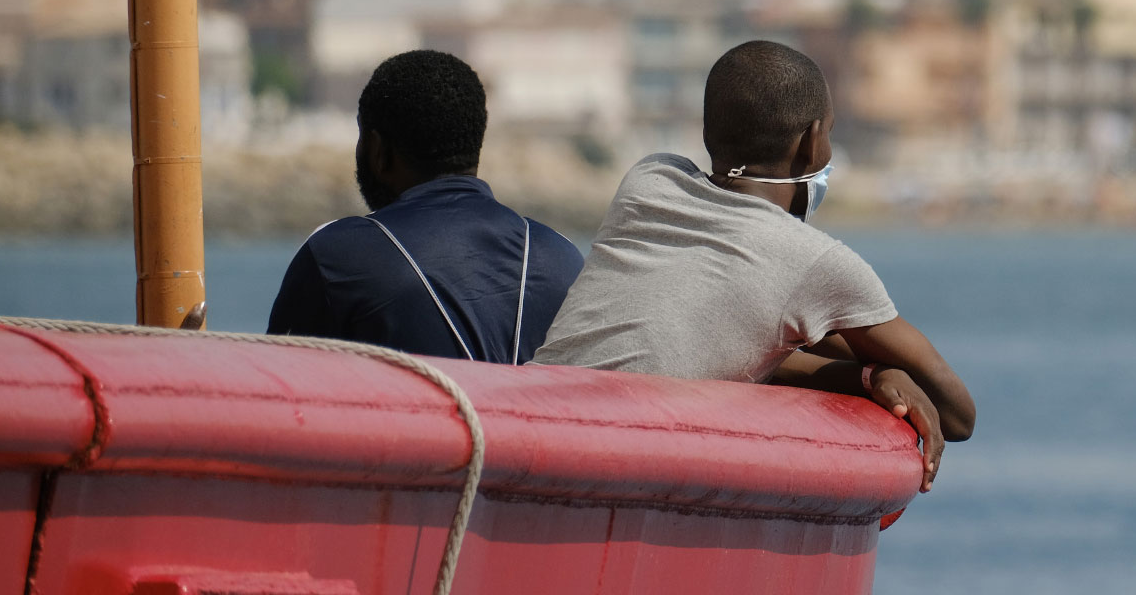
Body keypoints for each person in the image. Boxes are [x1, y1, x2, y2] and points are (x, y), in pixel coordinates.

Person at [535, 40, 974, 490]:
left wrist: (863, 372)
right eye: (831, 134)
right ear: (811, 142)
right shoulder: (815, 262)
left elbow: (699, 332)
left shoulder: (649, 180)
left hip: (530, 419)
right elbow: (957, 413)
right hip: (607, 463)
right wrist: (875, 371)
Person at [268, 49, 584, 363]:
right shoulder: (562, 260)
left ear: (378, 151)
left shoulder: (337, 257)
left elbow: (278, 390)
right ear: (474, 144)